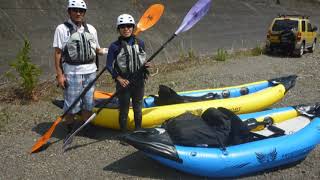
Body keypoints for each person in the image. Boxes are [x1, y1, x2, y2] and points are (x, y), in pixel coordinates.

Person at [53, 0, 108, 132]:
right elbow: (58, 53)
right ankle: (70, 129)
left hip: (90, 71)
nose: (78, 13)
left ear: (84, 13)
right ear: (69, 12)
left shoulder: (91, 29)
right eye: (75, 10)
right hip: (71, 72)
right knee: (72, 104)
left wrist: (112, 50)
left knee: (88, 103)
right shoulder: (62, 29)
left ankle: (86, 127)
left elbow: (97, 50)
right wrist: (60, 75)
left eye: (81, 11)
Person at [106, 14, 150, 134]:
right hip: (124, 82)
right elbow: (109, 65)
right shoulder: (114, 46)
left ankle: (138, 130)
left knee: (138, 108)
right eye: (122, 26)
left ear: (133, 27)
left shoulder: (140, 43)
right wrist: (119, 78)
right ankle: (124, 133)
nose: (126, 29)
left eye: (129, 26)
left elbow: (140, 59)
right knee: (124, 109)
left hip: (138, 81)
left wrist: (145, 65)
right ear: (118, 29)